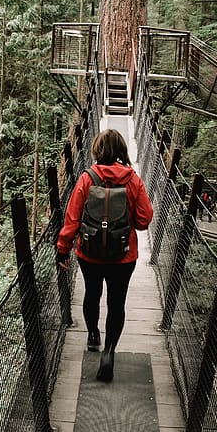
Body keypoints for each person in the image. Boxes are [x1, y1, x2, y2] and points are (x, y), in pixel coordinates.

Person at [56, 129, 153, 382]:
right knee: (116, 303)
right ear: (122, 151)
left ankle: (92, 335)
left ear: (97, 150)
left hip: (89, 254)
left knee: (91, 293)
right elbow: (144, 220)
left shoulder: (87, 179)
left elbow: (72, 219)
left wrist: (62, 249)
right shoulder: (133, 180)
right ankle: (109, 352)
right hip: (123, 256)